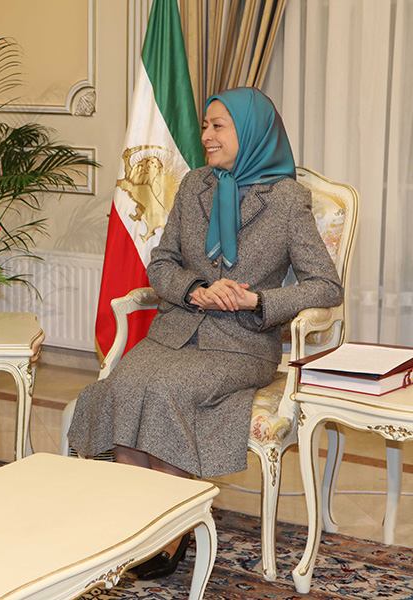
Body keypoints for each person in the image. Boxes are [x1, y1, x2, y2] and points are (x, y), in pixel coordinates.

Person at [66, 87, 343, 579]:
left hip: (242, 342)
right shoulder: (194, 184)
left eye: (219, 126)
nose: (206, 136)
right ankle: (138, 526)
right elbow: (163, 262)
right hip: (176, 331)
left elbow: (326, 285)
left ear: (251, 132)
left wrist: (258, 301)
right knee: (126, 383)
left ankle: (173, 530)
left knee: (168, 389)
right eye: (205, 126)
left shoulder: (286, 201)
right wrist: (194, 290)